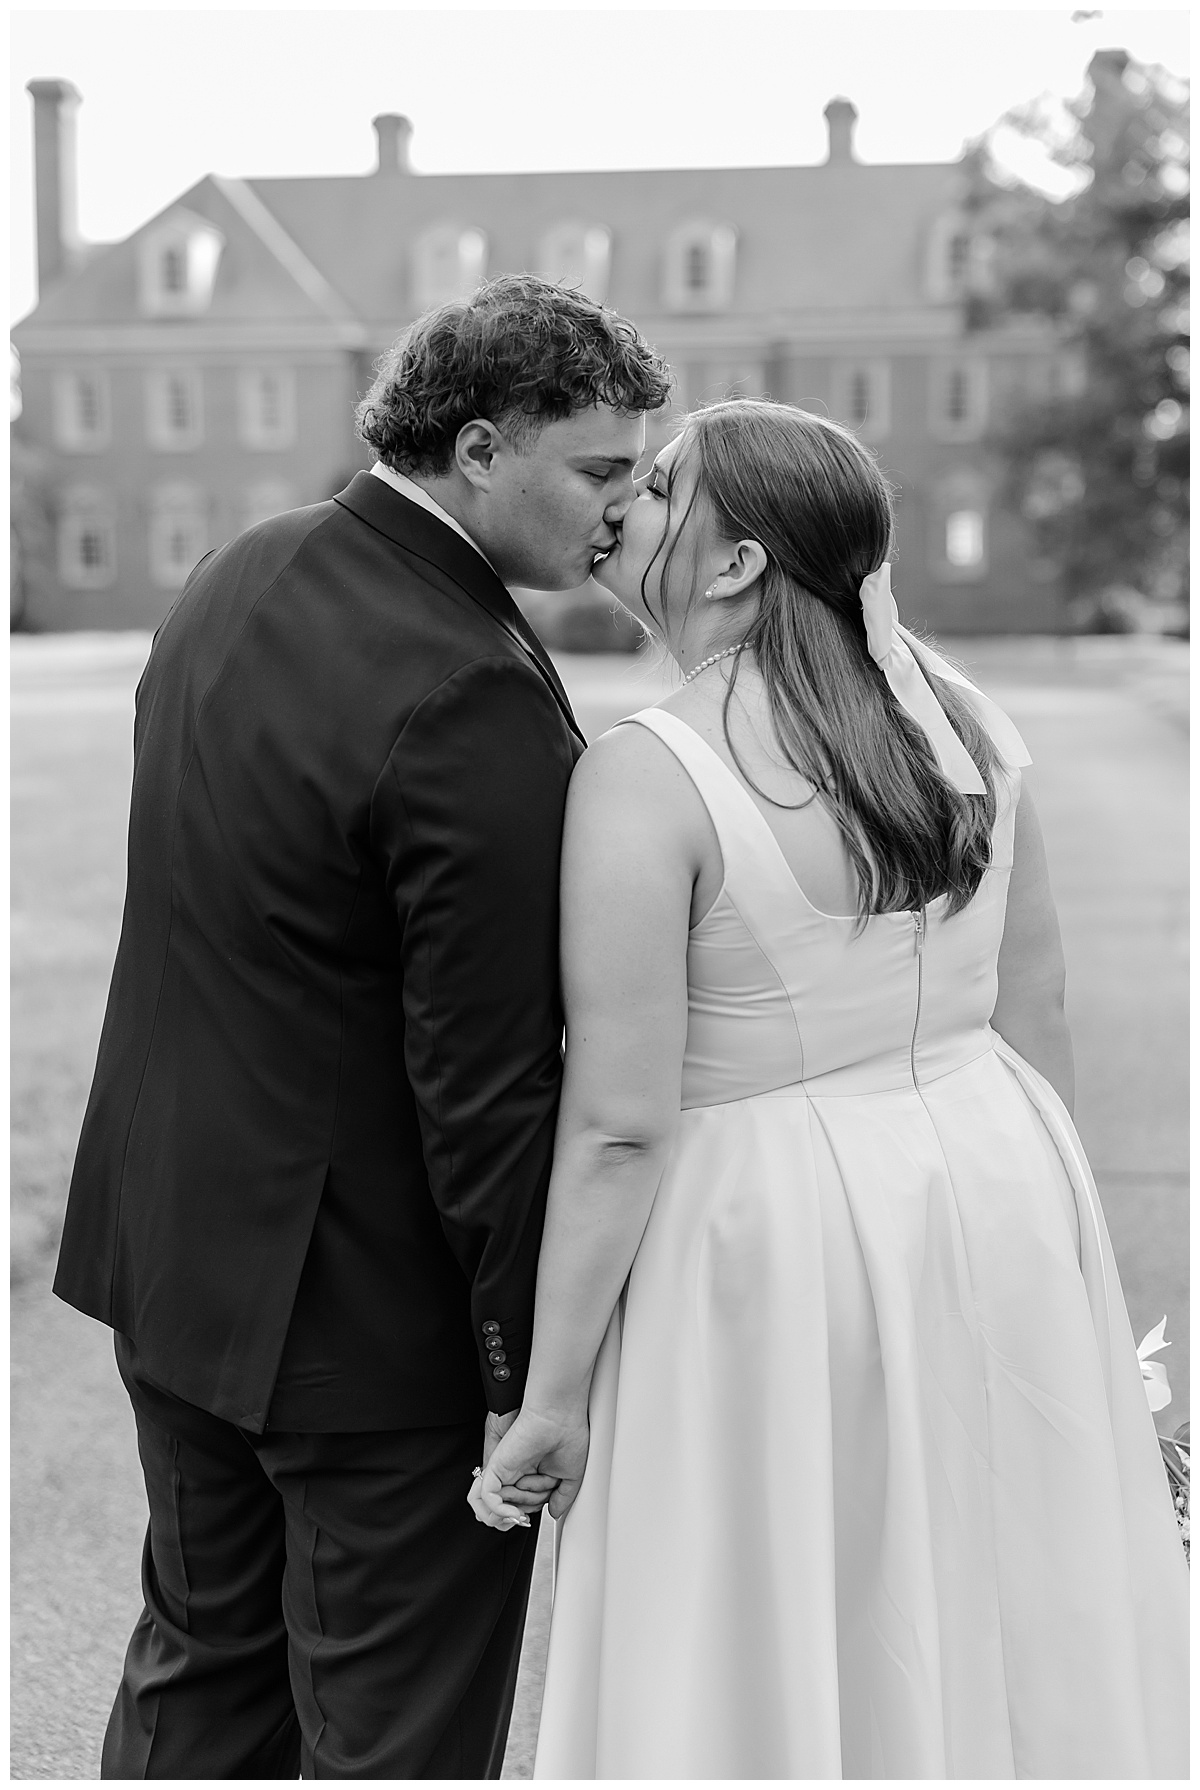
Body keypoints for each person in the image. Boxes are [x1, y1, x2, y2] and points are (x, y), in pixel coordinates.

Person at [471, 398, 1190, 1778]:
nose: (623, 504)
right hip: (994, 1185)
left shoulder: (648, 774)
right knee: (981, 1575)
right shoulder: (963, 724)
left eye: (660, 487)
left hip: (769, 1238)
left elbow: (619, 1126)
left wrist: (548, 1396)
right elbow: (1034, 1006)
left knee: (782, 1597)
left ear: (738, 562)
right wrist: (1061, 1261)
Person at [52, 275, 671, 1779]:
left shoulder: (234, 572)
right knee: (395, 1743)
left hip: (172, 1260)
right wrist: (527, 1369)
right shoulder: (472, 688)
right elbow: (489, 1083)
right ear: (478, 448)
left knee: (197, 1692)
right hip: (369, 1342)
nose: (626, 508)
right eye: (599, 469)